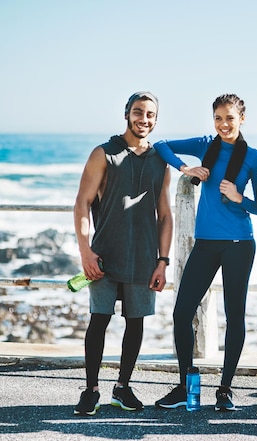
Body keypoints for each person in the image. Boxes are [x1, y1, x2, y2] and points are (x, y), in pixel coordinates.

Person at [153, 94, 257, 411]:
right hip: (205, 242)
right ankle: (187, 386)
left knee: (235, 317)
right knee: (181, 313)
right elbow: (161, 145)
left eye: (229, 118)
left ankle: (225, 390)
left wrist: (239, 197)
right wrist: (186, 168)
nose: (223, 124)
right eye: (218, 118)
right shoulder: (205, 144)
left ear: (242, 119)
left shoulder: (254, 158)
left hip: (239, 244)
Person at [73, 91, 173, 416]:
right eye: (138, 112)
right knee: (99, 321)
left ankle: (122, 387)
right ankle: (91, 390)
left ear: (155, 120)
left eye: (150, 115)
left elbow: (166, 214)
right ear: (127, 113)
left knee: (136, 322)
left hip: (144, 258)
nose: (144, 119)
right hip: (104, 255)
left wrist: (163, 261)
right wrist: (86, 252)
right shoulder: (104, 153)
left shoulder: (161, 160)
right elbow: (82, 203)